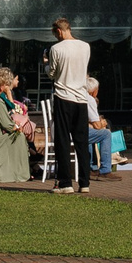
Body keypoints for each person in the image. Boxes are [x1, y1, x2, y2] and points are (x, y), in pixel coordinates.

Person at [42, 17, 93, 193]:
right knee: (82, 141)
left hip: (63, 96)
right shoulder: (85, 46)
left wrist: (46, 64)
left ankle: (65, 183)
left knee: (63, 140)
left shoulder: (56, 49)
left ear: (58, 31)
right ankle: (85, 182)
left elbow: (52, 73)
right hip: (81, 98)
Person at [85, 76, 121, 179]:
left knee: (91, 133)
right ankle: (105, 170)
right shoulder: (89, 99)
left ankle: (91, 167)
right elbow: (97, 126)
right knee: (106, 134)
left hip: (70, 130)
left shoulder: (78, 96)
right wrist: (103, 123)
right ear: (93, 91)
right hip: (78, 133)